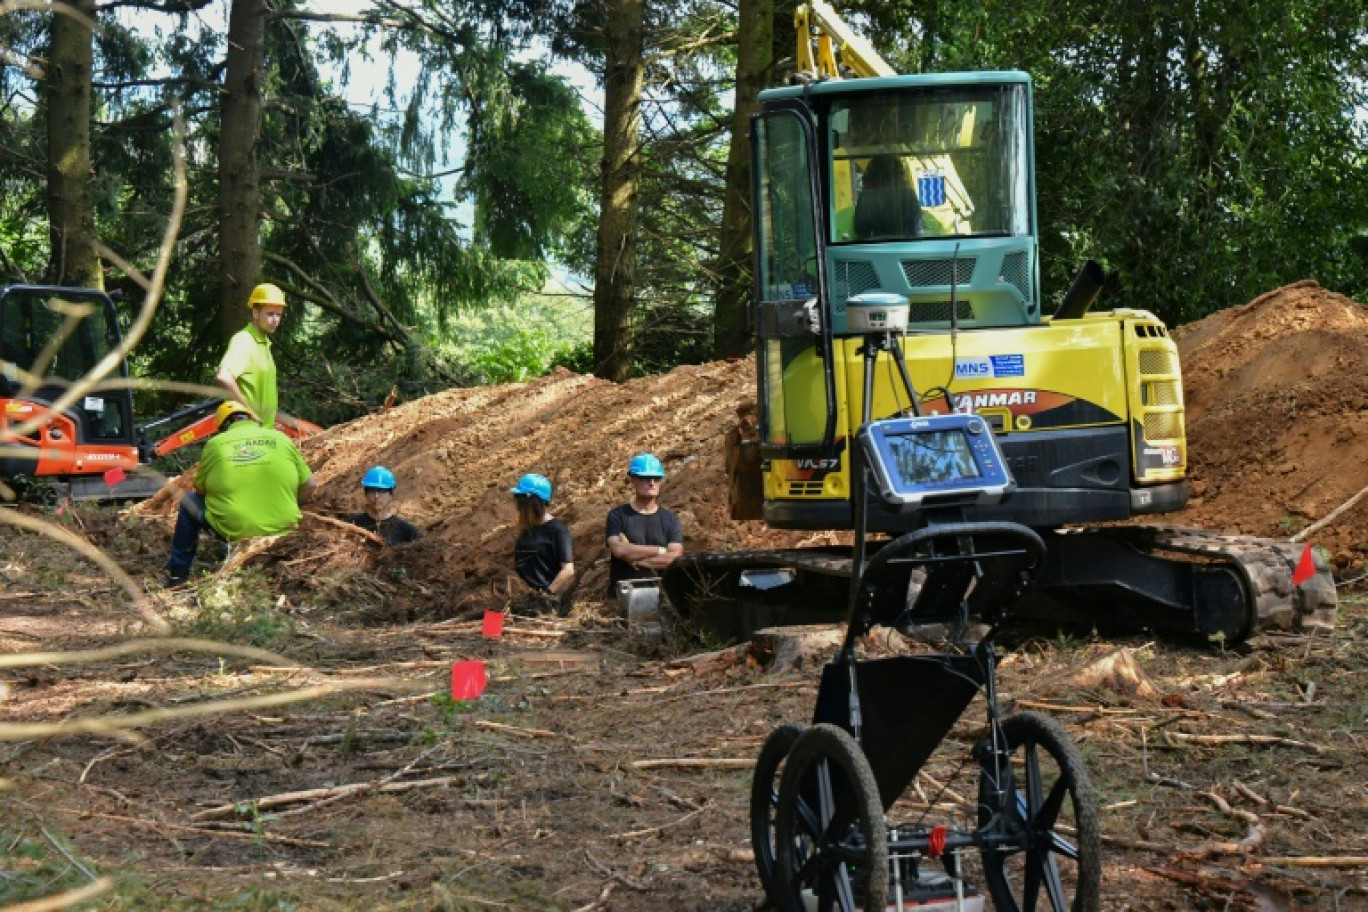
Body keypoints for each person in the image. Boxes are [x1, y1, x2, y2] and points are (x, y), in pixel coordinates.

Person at [164, 400, 315, 585]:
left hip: (235, 530)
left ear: (223, 426)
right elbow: (310, 485)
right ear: (252, 419)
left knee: (189, 502)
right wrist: (291, 504)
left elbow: (200, 491)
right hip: (285, 525)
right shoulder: (281, 438)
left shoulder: (215, 445)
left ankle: (177, 576)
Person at [216, 282, 305, 433]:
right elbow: (224, 376)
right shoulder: (244, 340)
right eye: (270, 314)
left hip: (262, 433)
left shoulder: (264, 344)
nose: (275, 320)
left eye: (279, 315)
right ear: (255, 313)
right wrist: (248, 412)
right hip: (246, 433)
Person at [605, 453, 683, 598]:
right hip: (623, 597)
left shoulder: (671, 520)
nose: (651, 482)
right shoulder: (618, 516)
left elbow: (675, 558)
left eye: (656, 478)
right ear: (633, 480)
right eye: (645, 478)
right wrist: (660, 550)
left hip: (660, 597)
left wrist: (637, 560)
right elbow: (619, 549)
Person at [509, 473, 574, 612]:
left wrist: (546, 595)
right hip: (523, 602)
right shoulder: (526, 530)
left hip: (544, 607)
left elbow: (568, 570)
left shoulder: (557, 530)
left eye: (520, 502)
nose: (517, 507)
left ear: (532, 503)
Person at [345, 466, 422, 546]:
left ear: (391, 494)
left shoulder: (405, 530)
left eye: (381, 491)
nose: (376, 496)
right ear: (366, 494)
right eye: (372, 491)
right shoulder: (353, 525)